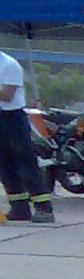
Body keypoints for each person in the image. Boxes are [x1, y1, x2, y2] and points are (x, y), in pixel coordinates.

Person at [0, 50, 53, 223]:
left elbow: (7, 95)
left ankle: (44, 207)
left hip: (13, 118)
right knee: (4, 165)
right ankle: (19, 208)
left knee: (25, 163)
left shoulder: (9, 65)